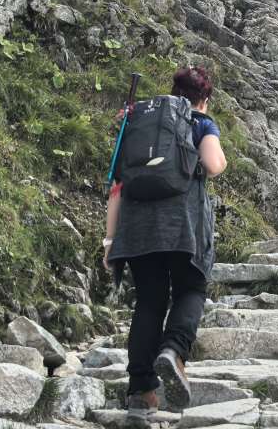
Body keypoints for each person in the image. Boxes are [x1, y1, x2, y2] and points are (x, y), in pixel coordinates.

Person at [104, 66, 227, 416]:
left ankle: (140, 393)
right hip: (183, 225)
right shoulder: (199, 122)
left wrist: (110, 240)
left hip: (137, 227)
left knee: (149, 301)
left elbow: (117, 186)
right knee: (191, 289)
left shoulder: (138, 124)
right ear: (204, 99)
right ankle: (173, 351)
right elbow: (214, 163)